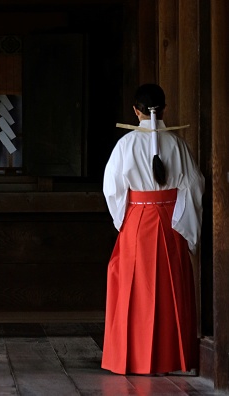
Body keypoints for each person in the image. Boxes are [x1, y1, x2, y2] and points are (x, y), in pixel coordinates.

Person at [101, 83, 204, 375]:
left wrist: (123, 220)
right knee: (170, 285)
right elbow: (194, 186)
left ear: (136, 111)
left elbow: (112, 189)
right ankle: (171, 358)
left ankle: (131, 357)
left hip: (137, 221)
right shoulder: (179, 145)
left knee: (135, 289)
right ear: (165, 110)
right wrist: (185, 223)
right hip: (172, 219)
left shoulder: (125, 145)